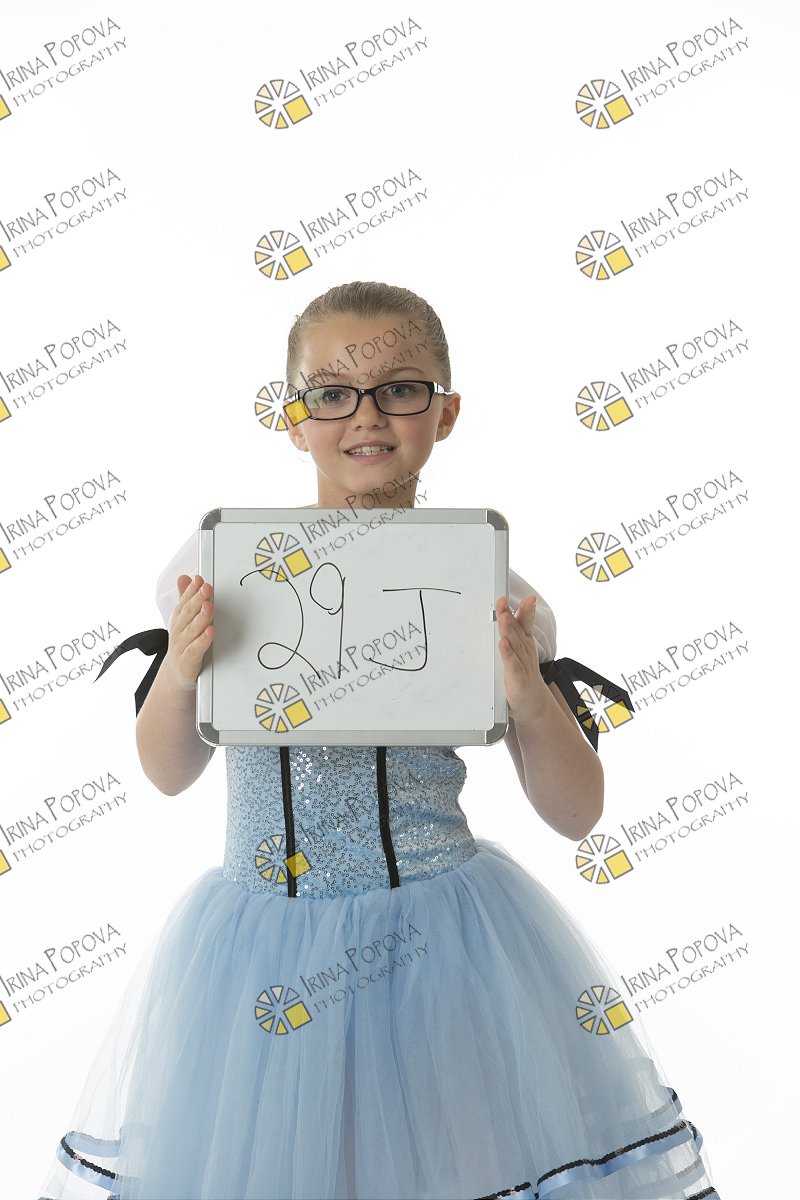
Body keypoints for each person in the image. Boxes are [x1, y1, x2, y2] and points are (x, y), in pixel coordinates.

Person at [37, 281, 720, 1200]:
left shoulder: (489, 587)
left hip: (441, 951)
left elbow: (577, 813)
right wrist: (184, 670)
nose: (365, 415)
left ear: (446, 413)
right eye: (331, 393)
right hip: (262, 947)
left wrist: (528, 696)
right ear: (293, 418)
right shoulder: (223, 568)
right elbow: (167, 773)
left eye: (400, 389)